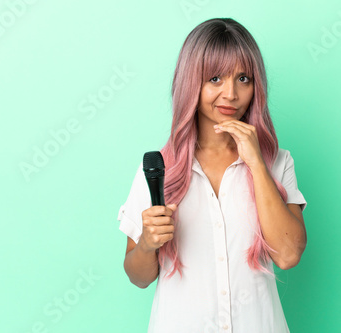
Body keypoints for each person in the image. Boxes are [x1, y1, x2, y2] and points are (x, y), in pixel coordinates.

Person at [117, 17, 308, 333]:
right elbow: (138, 277)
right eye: (215, 78)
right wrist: (148, 244)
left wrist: (256, 163)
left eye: (243, 78)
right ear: (192, 81)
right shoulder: (157, 169)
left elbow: (288, 255)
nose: (231, 94)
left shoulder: (277, 163)